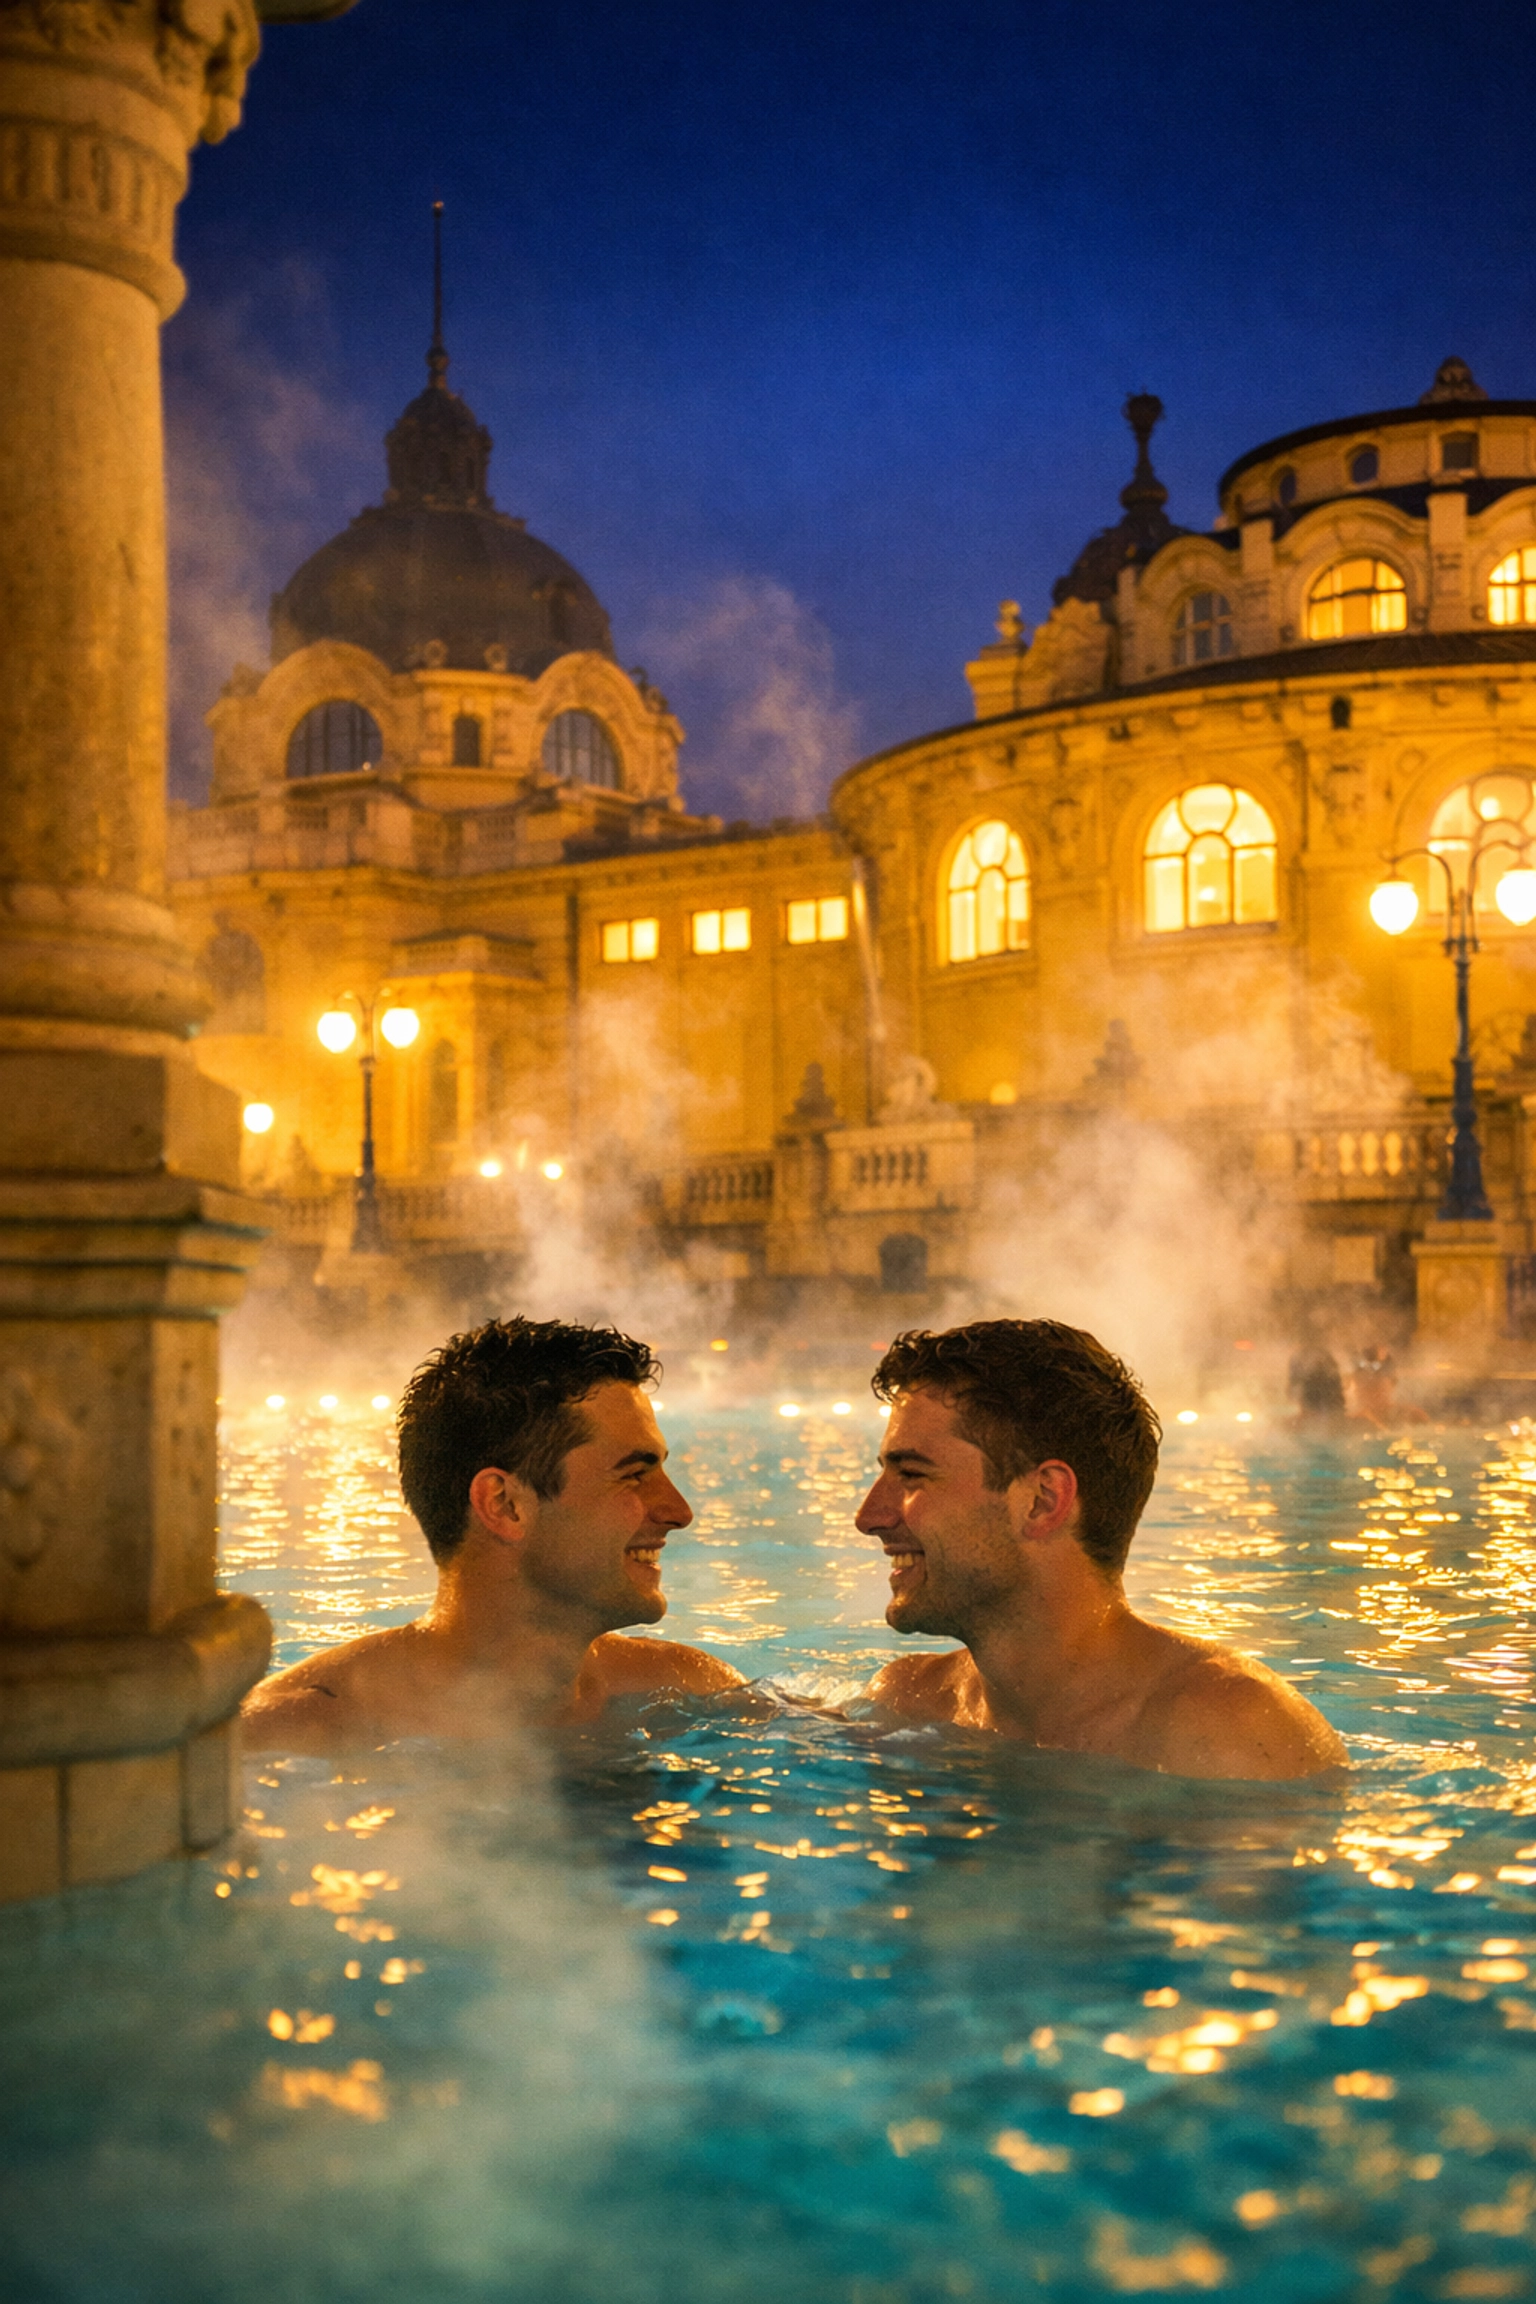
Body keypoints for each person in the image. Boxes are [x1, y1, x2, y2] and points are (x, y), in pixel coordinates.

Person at [856, 1319, 1347, 1779]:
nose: (868, 1517)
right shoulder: (908, 1702)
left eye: (912, 1475)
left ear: (1043, 1501)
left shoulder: (1231, 1737)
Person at [243, 1317, 743, 1752]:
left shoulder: (686, 1687)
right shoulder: (293, 1735)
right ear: (505, 1505)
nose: (679, 1511)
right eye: (634, 1474)